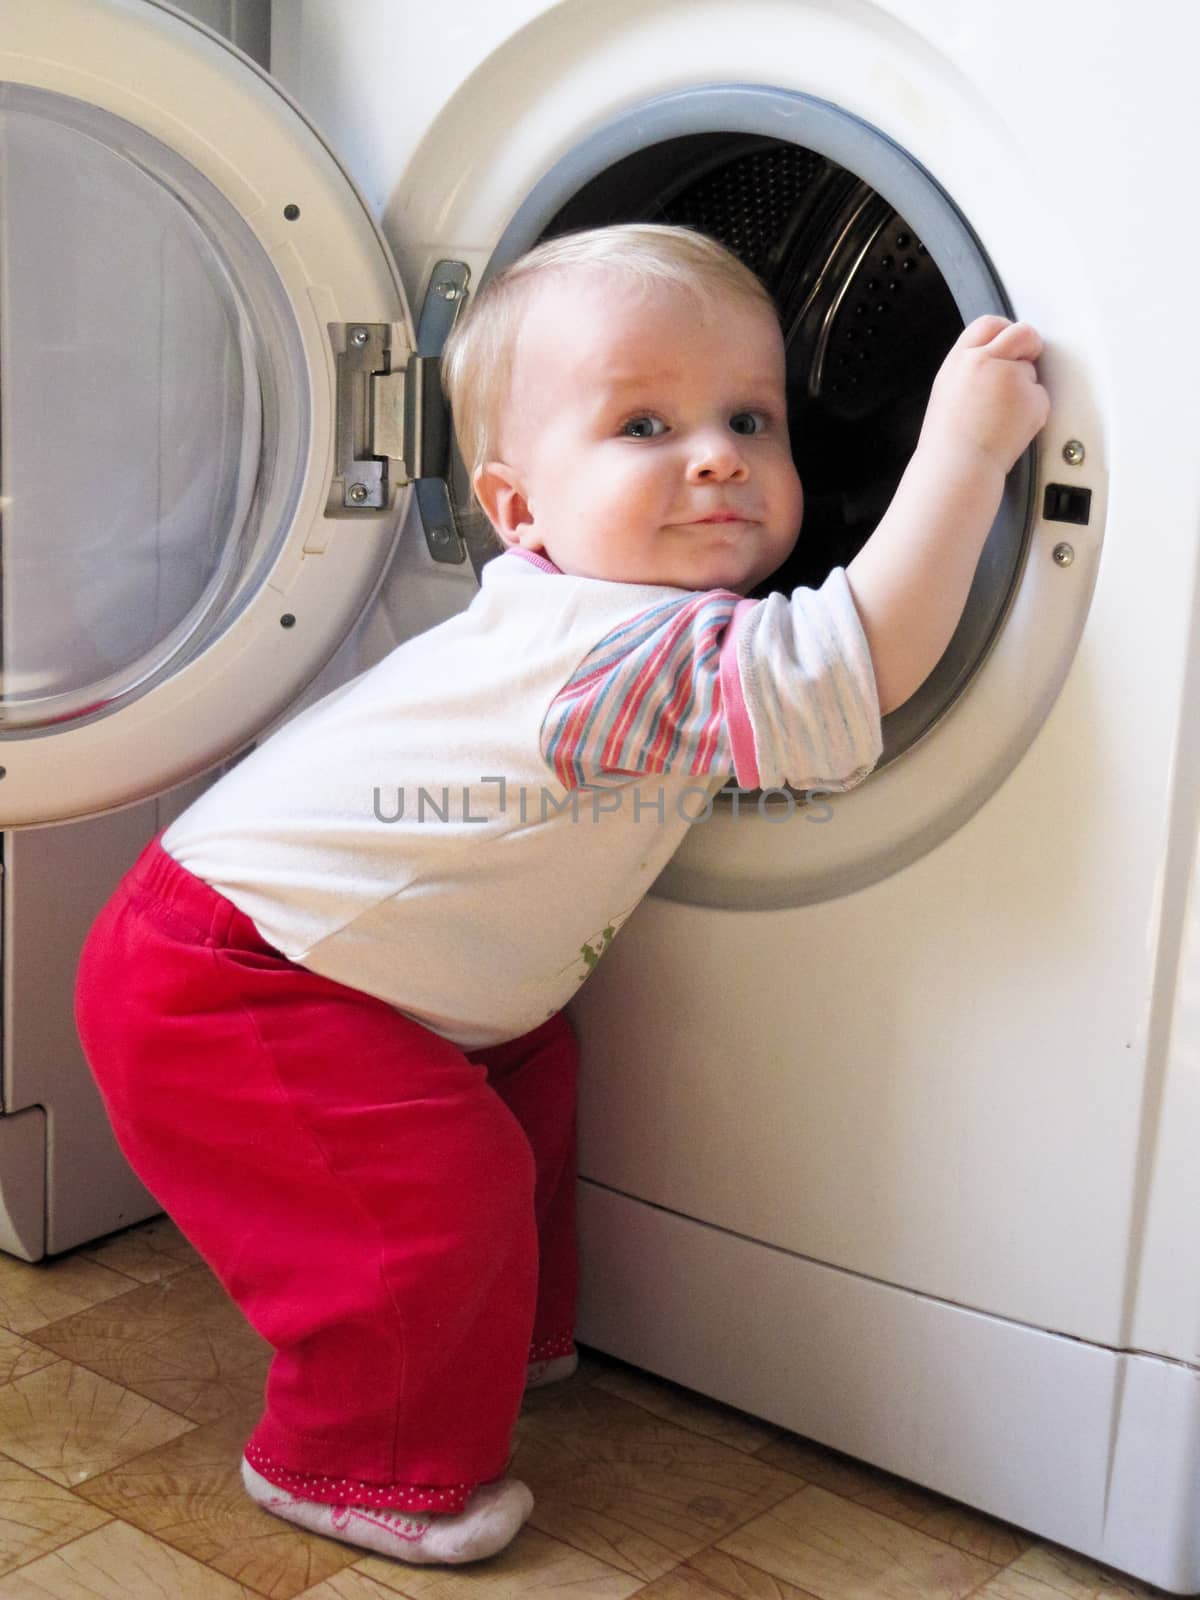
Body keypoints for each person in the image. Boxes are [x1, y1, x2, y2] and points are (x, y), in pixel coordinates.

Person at [73, 223, 1048, 1567]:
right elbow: (856, 662)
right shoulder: (614, 653)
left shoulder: (577, 612)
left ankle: (487, 1340)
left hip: (326, 966)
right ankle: (348, 1462)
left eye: (751, 418)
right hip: (228, 982)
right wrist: (965, 456)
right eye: (644, 422)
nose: (717, 455)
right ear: (521, 508)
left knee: (524, 1075)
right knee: (425, 1192)